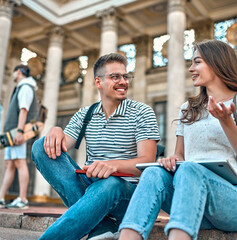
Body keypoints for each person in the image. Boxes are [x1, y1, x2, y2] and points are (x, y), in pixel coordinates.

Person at [118, 40, 237, 240]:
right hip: (191, 200)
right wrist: (171, 160)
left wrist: (225, 121)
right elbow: (180, 155)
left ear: (216, 63)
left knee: (190, 168)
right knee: (153, 172)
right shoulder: (189, 107)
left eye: (197, 62)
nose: (191, 68)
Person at [31, 53, 160, 240]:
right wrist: (55, 131)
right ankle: (104, 225)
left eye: (125, 76)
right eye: (115, 77)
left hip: (128, 193)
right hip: (91, 186)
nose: (123, 81)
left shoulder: (142, 112)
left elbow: (147, 163)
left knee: (109, 184)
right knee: (41, 146)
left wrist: (112, 165)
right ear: (98, 82)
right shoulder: (85, 114)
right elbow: (58, 148)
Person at [0, 65, 39, 209]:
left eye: (14, 72)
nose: (13, 74)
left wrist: (19, 131)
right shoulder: (21, 87)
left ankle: (22, 199)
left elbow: (24, 110)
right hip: (12, 132)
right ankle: (0, 198)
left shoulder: (26, 87)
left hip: (17, 132)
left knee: (20, 163)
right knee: (9, 164)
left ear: (19, 72)